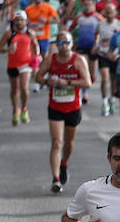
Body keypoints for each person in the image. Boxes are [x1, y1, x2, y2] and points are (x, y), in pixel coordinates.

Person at [36, 30, 92, 193]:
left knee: (68, 143)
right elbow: (38, 77)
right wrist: (48, 81)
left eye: (66, 43)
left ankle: (64, 163)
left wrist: (66, 81)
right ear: (56, 45)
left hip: (73, 107)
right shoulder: (51, 60)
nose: (63, 46)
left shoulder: (78, 60)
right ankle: (56, 179)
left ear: (71, 44)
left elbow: (87, 82)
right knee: (56, 142)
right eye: (60, 43)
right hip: (55, 106)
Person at [0, 10, 38, 126]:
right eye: (17, 20)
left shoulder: (30, 33)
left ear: (26, 21)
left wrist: (37, 57)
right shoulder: (9, 34)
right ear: (14, 21)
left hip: (25, 64)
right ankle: (15, 111)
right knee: (15, 89)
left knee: (24, 88)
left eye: (21, 20)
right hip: (12, 64)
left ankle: (24, 109)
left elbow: (35, 46)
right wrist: (7, 49)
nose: (19, 22)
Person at [94, 2, 120, 117]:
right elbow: (96, 35)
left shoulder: (119, 25)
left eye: (112, 12)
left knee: (114, 81)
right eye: (107, 12)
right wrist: (96, 44)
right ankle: (104, 101)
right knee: (105, 78)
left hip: (115, 56)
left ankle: (112, 99)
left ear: (115, 12)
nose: (109, 14)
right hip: (103, 55)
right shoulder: (101, 24)